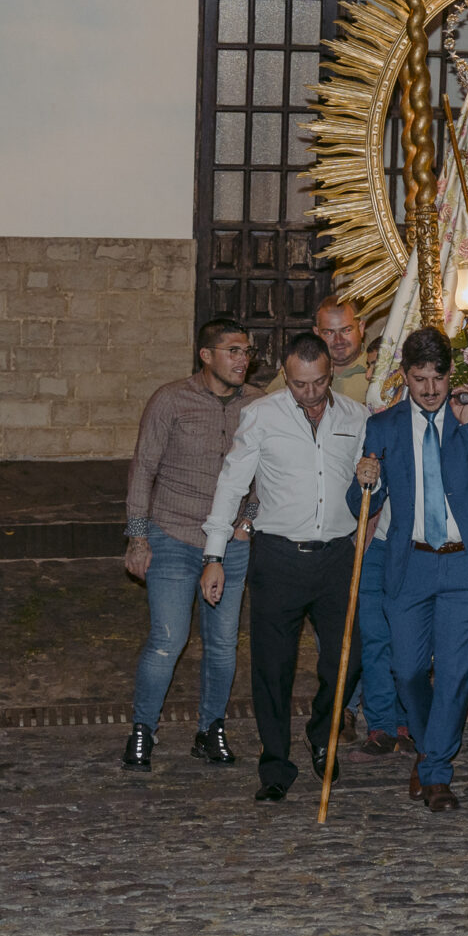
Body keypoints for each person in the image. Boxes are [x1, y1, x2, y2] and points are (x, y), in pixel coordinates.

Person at [198, 332, 369, 804]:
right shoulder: (261, 415)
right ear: (285, 376)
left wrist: (371, 481)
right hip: (277, 557)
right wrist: (214, 556)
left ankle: (322, 733)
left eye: (318, 383)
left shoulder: (356, 417)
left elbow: (368, 485)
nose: (309, 394)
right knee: (273, 669)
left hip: (337, 556)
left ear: (330, 374)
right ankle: (275, 764)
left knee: (349, 659)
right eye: (298, 384)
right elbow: (232, 485)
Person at [347, 325, 468, 811]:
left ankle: (436, 770)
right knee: (408, 670)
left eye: (438, 378)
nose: (431, 389)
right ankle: (428, 747)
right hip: (410, 564)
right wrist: (364, 482)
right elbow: (359, 502)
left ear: (450, 373)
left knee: (455, 674)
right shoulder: (384, 425)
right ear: (405, 376)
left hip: (466, 566)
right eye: (420, 379)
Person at [121, 316, 260, 772]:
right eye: (233, 351)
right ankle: (143, 729)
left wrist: (248, 520)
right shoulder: (170, 400)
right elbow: (143, 468)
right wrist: (138, 539)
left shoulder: (259, 404)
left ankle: (210, 729)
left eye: (246, 351)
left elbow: (271, 470)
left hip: (231, 542)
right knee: (167, 639)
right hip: (174, 536)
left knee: (222, 644)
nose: (243, 359)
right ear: (206, 355)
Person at [313, 292, 408, 754]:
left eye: (345, 329)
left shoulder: (405, 416)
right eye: (328, 332)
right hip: (345, 533)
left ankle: (401, 717)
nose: (375, 377)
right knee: (360, 632)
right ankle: (367, 715)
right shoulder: (356, 410)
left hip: (396, 539)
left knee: (400, 636)